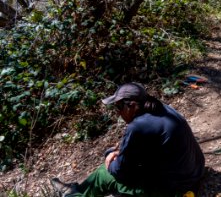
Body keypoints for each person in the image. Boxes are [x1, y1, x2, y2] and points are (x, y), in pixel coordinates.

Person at [52, 83, 205, 197]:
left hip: (174, 190)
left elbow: (120, 172)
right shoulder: (162, 109)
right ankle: (78, 191)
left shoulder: (138, 126)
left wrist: (109, 156)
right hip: (195, 172)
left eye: (118, 107)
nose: (118, 113)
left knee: (104, 172)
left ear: (131, 106)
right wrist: (119, 152)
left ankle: (72, 194)